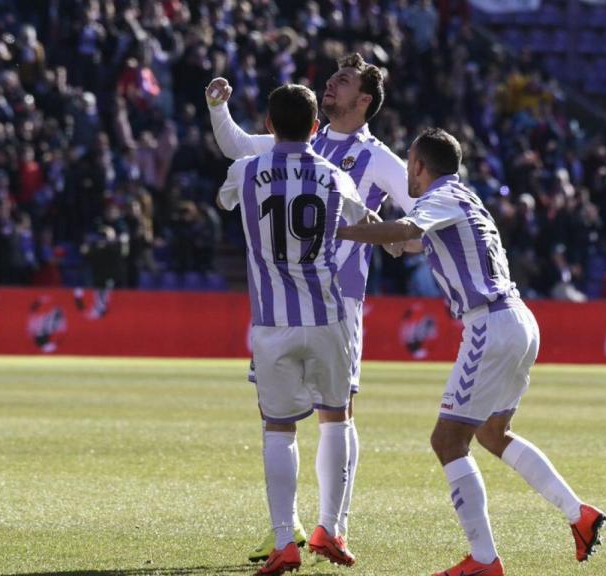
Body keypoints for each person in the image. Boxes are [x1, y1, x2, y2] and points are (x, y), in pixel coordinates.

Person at [337, 129, 606, 576]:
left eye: (409, 163)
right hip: (517, 319)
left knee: (447, 440)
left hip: (490, 323)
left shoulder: (440, 197)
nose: (407, 171)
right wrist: (367, 221)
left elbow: (406, 229)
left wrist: (343, 229)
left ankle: (484, 560)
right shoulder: (463, 198)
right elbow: (405, 242)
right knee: (492, 434)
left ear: (421, 166)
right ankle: (579, 514)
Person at [206, 53, 415, 561]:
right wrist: (393, 238)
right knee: (333, 414)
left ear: (363, 101)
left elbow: (420, 204)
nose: (331, 84)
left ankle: (328, 526)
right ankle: (298, 527)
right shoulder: (313, 149)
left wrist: (413, 234)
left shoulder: (378, 158)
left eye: (343, 81)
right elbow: (237, 143)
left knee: (327, 416)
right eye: (331, 79)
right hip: (317, 305)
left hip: (334, 298)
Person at [216, 84, 372, 576]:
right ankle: (330, 526)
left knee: (278, 428)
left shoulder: (246, 171)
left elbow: (224, 201)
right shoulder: (332, 176)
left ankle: (285, 539)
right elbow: (363, 220)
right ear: (313, 128)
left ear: (268, 125)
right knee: (338, 418)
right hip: (328, 318)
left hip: (272, 323)